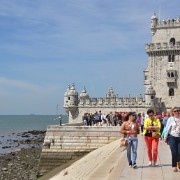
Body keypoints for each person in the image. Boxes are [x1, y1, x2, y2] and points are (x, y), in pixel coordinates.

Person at [164, 107, 180, 172]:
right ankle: (174, 166)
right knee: (174, 152)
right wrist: (165, 137)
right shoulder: (170, 119)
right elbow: (167, 128)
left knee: (179, 152)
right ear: (172, 112)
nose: (176, 112)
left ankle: (178, 161)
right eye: (175, 111)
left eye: (178, 111)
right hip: (172, 136)